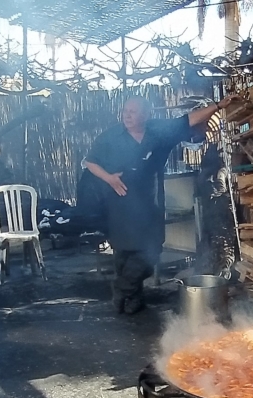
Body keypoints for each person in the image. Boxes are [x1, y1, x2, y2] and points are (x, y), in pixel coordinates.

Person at [83, 94, 237, 314]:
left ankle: (121, 288)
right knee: (124, 254)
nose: (127, 115)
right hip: (119, 201)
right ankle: (133, 300)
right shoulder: (111, 136)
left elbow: (189, 120)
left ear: (146, 115)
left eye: (133, 112)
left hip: (149, 201)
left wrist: (219, 105)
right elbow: (90, 161)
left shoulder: (158, 131)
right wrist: (109, 178)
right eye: (125, 111)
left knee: (151, 249)